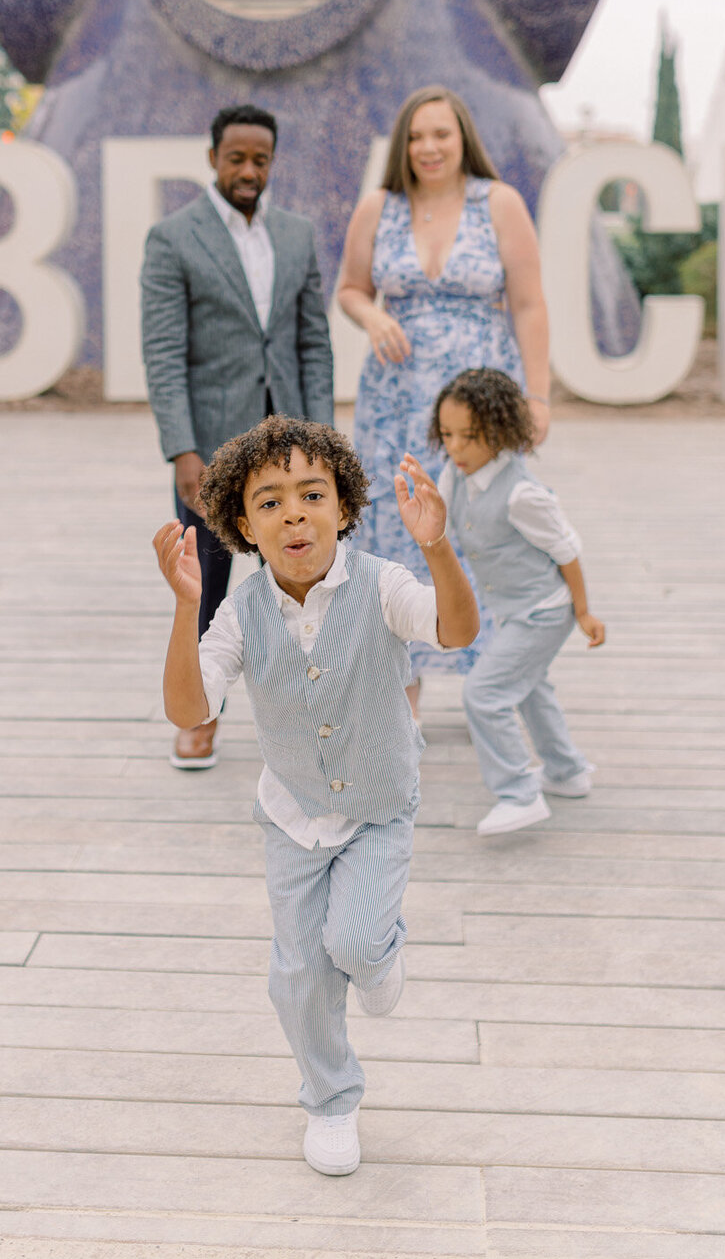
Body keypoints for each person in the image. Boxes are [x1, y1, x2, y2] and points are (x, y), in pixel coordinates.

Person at [152, 416, 478, 1176]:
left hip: (378, 805)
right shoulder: (238, 613)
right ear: (242, 526)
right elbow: (190, 711)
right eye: (270, 502)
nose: (294, 513)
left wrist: (435, 546)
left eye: (311, 494)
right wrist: (182, 605)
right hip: (292, 815)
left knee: (356, 946)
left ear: (344, 507)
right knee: (297, 975)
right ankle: (331, 1099)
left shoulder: (384, 584)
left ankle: (380, 950)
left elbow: (455, 631)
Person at [337, 85, 551, 701]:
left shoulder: (499, 203)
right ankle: (404, 689)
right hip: (396, 403)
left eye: (441, 134)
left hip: (479, 407)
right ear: (402, 145)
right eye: (416, 136)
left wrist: (537, 398)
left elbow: (530, 305)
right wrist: (372, 317)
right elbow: (351, 287)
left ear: (463, 140)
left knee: (483, 524)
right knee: (395, 528)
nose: (428, 147)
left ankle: (501, 684)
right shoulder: (380, 207)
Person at [141, 106, 335, 769]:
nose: (248, 171)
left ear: (271, 162)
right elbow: (164, 352)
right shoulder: (173, 239)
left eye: (260, 159)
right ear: (214, 158)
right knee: (208, 587)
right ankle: (200, 716)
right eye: (236, 158)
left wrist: (322, 445)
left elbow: (313, 342)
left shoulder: (296, 234)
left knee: (305, 586)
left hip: (291, 451)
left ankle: (315, 720)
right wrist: (182, 450)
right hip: (214, 453)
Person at [432, 368, 605, 836]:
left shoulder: (523, 494)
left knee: (484, 693)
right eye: (447, 434)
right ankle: (566, 772)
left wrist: (584, 611)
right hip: (510, 611)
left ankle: (518, 793)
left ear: (501, 431)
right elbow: (442, 521)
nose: (455, 447)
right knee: (528, 687)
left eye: (470, 436)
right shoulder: (455, 473)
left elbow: (566, 551)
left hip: (544, 612)